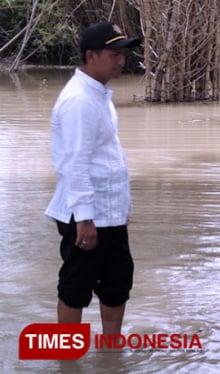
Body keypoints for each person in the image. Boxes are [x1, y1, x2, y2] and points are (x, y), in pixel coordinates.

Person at [44, 21, 140, 335]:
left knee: (117, 281)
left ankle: (111, 352)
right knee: (77, 285)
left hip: (107, 212)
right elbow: (74, 164)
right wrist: (85, 218)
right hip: (84, 214)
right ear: (91, 56)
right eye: (113, 53)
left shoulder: (99, 94)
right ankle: (68, 358)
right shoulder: (79, 100)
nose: (121, 60)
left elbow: (107, 159)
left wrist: (120, 213)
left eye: (122, 53)